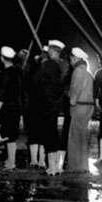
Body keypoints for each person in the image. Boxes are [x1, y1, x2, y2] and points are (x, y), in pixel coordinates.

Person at [37, 41, 68, 174]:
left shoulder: (48, 64)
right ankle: (56, 165)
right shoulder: (64, 65)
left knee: (48, 134)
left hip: (46, 103)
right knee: (54, 133)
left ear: (52, 51)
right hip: (57, 103)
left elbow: (36, 82)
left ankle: (52, 167)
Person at [65, 47, 96, 173]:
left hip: (79, 106)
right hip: (88, 106)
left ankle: (74, 166)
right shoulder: (87, 72)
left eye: (71, 59)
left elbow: (76, 89)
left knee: (74, 137)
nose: (70, 62)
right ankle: (83, 164)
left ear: (76, 58)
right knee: (83, 136)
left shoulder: (78, 71)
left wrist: (71, 99)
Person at [0, 46, 24, 170]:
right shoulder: (19, 71)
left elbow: (2, 95)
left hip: (8, 107)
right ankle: (10, 160)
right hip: (17, 106)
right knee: (11, 134)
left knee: (9, 135)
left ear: (2, 58)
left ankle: (11, 162)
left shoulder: (6, 74)